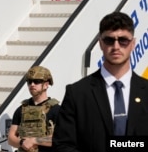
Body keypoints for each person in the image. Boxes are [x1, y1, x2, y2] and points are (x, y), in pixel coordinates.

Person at [52, 11, 148, 152]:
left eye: (123, 40)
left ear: (133, 43)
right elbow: (63, 145)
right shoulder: (77, 93)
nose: (116, 46)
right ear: (100, 43)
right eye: (109, 40)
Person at [8, 66, 60, 152]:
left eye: (37, 81)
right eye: (29, 82)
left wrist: (34, 141)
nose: (32, 84)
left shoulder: (56, 110)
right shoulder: (21, 109)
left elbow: (60, 139)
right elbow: (11, 138)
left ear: (46, 85)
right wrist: (21, 142)